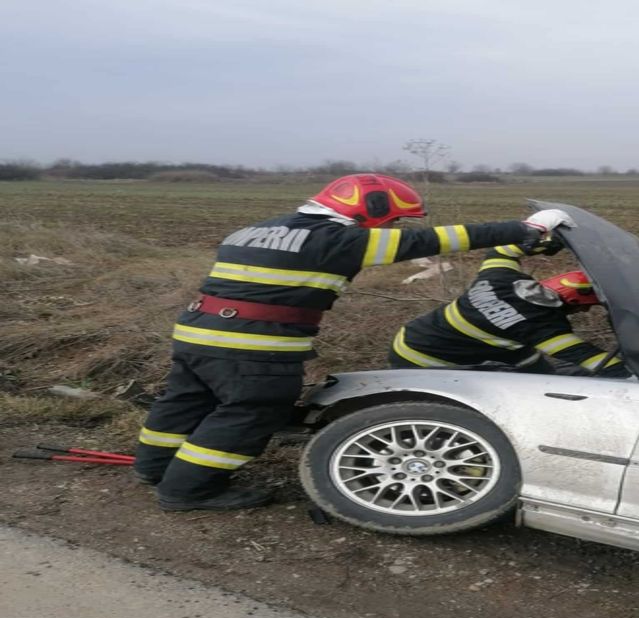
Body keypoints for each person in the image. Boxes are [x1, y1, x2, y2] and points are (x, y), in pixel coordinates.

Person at [134, 173, 572, 511]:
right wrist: (525, 231)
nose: (396, 226)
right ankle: (190, 490)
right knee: (249, 411)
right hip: (254, 345)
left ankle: (153, 469)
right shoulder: (337, 240)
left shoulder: (255, 229)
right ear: (371, 209)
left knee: (184, 401)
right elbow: (437, 239)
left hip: (197, 333)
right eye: (393, 219)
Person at [389, 242, 629, 377]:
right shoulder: (541, 327)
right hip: (425, 361)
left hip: (412, 335)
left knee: (531, 364)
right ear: (575, 306)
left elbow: (501, 250)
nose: (583, 314)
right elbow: (590, 358)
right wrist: (638, 377)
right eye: (584, 309)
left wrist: (546, 240)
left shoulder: (500, 278)